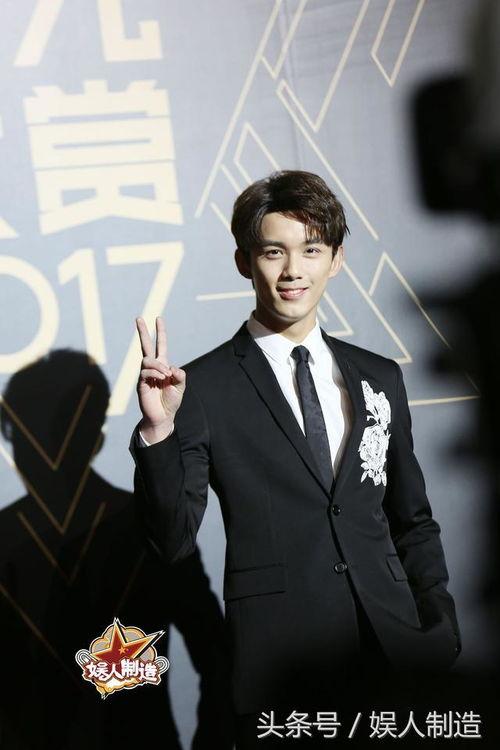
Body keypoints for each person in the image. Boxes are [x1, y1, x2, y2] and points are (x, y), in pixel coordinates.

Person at [129, 170, 461, 748]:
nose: (292, 271)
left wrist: (439, 623)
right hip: (280, 671)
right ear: (244, 261)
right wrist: (159, 431)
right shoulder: (202, 387)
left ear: (335, 260)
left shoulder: (378, 376)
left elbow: (412, 519)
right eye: (273, 252)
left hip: (395, 654)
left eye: (311, 250)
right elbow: (172, 541)